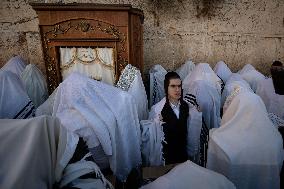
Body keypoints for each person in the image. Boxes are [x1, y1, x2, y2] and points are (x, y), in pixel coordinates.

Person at [150, 71, 189, 165]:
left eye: (179, 86)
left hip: (183, 157)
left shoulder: (185, 106)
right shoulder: (157, 110)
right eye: (173, 86)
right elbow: (153, 139)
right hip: (167, 160)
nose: (177, 89)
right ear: (166, 88)